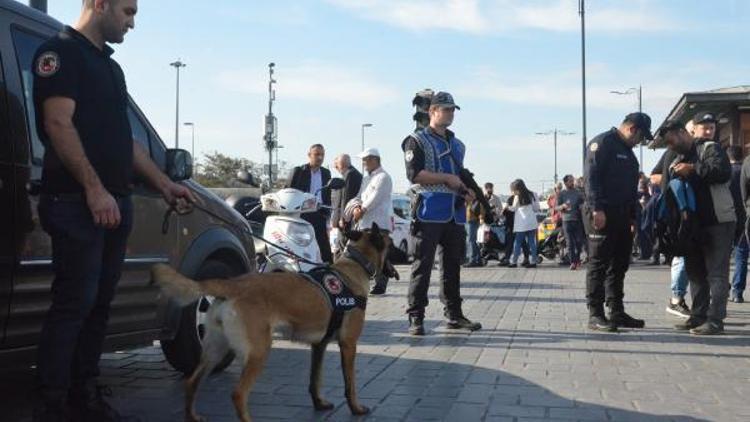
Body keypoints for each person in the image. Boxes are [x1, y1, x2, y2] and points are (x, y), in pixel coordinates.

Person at [32, 1, 196, 420]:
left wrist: (164, 184)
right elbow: (57, 124)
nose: (132, 22)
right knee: (75, 304)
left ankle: (83, 396)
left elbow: (127, 143)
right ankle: (51, 405)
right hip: (75, 204)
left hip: (113, 205)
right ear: (99, 4)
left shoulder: (111, 67)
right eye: (126, 11)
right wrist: (94, 189)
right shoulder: (59, 53)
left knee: (99, 305)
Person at [401, 91, 482, 335]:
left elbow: (459, 176)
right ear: (432, 111)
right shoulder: (416, 140)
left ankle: (454, 314)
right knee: (422, 266)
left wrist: (468, 191)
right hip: (428, 210)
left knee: (452, 267)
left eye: (452, 110)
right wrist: (447, 178)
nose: (450, 113)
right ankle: (416, 316)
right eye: (445, 109)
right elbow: (415, 174)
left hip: (454, 213)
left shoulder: (458, 145)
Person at [659, 112, 736, 335]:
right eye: (668, 143)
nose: (671, 145)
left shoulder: (709, 148)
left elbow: (721, 173)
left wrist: (693, 169)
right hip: (693, 225)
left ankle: (715, 319)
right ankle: (698, 315)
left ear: (684, 133)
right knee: (695, 273)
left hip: (718, 221)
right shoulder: (676, 157)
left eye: (672, 140)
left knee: (716, 273)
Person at [583, 112, 652, 332]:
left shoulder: (628, 153)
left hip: (623, 217)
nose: (640, 142)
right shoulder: (602, 144)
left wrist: (632, 217)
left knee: (619, 265)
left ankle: (616, 311)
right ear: (632, 129)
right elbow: (591, 178)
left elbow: (630, 189)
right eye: (641, 137)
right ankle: (595, 314)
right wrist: (597, 208)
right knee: (599, 264)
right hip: (602, 213)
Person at [344, 148, 393, 294]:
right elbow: (359, 196)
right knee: (368, 253)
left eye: (366, 160)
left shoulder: (384, 177)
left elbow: (375, 198)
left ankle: (380, 284)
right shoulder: (366, 179)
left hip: (378, 222)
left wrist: (362, 209)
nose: (364, 163)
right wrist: (354, 208)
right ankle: (381, 275)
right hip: (364, 223)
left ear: (374, 160)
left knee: (378, 254)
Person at [286, 144, 333, 264]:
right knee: (301, 243)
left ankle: (329, 270)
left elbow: (327, 194)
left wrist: (327, 212)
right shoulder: (298, 171)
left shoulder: (326, 173)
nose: (320, 158)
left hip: (319, 212)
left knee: (323, 244)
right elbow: (287, 192)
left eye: (322, 155)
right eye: (317, 154)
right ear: (309, 155)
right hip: (302, 213)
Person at [330, 154, 362, 257]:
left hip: (348, 219)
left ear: (341, 164)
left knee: (341, 247)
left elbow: (346, 197)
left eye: (336, 165)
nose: (336, 168)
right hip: (352, 217)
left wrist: (343, 218)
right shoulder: (355, 174)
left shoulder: (350, 174)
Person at [508, 179, 540, 268]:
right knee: (531, 242)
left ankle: (514, 261)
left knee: (517, 242)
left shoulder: (517, 196)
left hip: (521, 224)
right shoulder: (533, 194)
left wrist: (507, 207)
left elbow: (513, 208)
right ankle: (533, 261)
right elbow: (536, 208)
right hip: (531, 222)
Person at [729, 146, 747, 303]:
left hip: (727, 218)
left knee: (721, 256)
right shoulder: (746, 170)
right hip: (744, 218)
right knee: (741, 255)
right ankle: (737, 292)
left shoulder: (726, 172)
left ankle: (722, 286)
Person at [557, 174, 585, 270]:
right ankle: (573, 262)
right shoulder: (562, 194)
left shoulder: (578, 193)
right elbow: (556, 207)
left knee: (578, 242)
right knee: (570, 243)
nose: (572, 182)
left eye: (572, 180)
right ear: (565, 183)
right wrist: (562, 206)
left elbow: (583, 203)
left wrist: (582, 206)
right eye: (570, 181)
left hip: (577, 220)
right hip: (566, 220)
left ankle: (577, 261)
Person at [464, 197, 484, 267]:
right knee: (472, 241)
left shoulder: (476, 202)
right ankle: (478, 260)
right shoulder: (468, 201)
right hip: (468, 222)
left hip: (472, 222)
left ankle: (472, 260)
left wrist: (481, 219)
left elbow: (481, 212)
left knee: (470, 241)